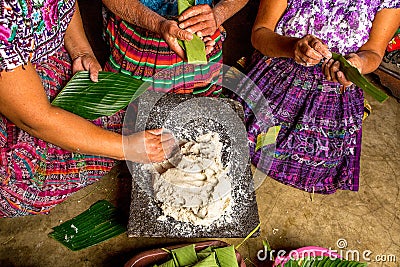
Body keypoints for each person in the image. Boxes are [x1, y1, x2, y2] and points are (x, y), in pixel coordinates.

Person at [0, 1, 176, 217]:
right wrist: (127, 148)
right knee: (23, 183)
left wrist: (80, 51)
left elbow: (60, 5)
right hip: (16, 92)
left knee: (115, 124)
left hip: (44, 61)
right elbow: (34, 119)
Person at [237, 0, 400, 194]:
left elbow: (373, 52)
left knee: (317, 168)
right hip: (280, 71)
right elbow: (260, 33)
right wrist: (293, 47)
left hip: (335, 87)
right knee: (243, 135)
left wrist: (358, 65)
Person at [101, 0, 248, 95]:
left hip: (203, 36)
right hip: (138, 39)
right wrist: (158, 24)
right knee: (134, 116)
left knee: (198, 118)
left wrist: (217, 16)